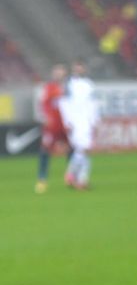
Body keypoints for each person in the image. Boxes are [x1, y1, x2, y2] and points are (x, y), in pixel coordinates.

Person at [61, 61, 99, 191]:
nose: (79, 70)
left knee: (84, 151)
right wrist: (67, 122)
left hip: (86, 121)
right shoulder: (69, 85)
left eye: (81, 68)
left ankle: (80, 179)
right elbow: (64, 104)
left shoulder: (89, 84)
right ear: (73, 70)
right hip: (75, 122)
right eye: (77, 68)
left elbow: (93, 104)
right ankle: (73, 175)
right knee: (83, 149)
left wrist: (94, 120)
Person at [34, 64, 69, 194]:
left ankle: (71, 176)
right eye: (56, 72)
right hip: (52, 125)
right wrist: (45, 117)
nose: (58, 74)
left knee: (72, 149)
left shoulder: (68, 87)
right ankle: (42, 179)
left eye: (61, 72)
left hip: (66, 124)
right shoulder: (49, 87)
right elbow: (42, 104)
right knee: (45, 150)